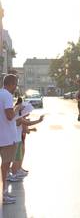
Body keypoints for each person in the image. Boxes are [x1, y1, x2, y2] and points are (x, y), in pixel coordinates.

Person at [0, 74, 22, 204]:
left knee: (4, 166)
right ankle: (4, 194)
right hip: (7, 138)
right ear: (11, 84)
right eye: (16, 84)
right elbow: (9, 116)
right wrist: (17, 108)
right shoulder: (7, 96)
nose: (16, 87)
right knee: (5, 167)